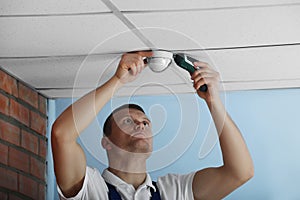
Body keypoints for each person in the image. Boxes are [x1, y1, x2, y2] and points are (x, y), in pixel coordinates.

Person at [51, 51, 254, 200]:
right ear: (107, 142)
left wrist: (213, 100)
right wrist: (118, 81)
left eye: (146, 122)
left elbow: (240, 172)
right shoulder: (90, 189)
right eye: (128, 121)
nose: (140, 125)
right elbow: (62, 135)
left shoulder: (174, 191)